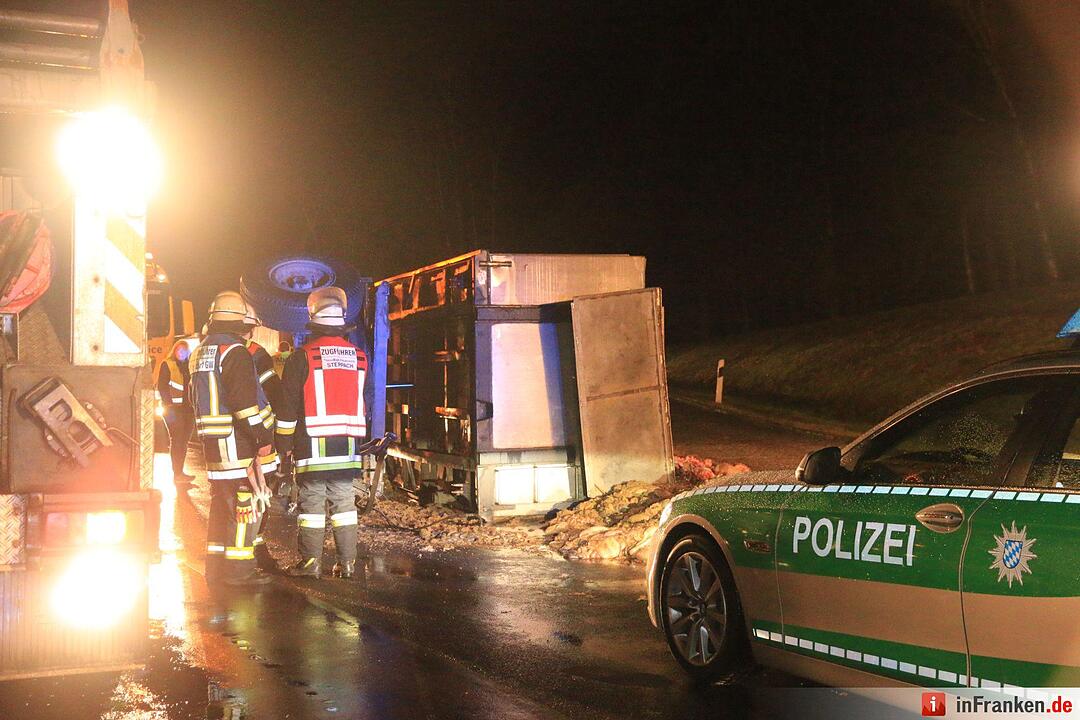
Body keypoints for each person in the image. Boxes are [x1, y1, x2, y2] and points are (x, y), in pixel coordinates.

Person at [276, 287, 368, 579]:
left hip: (312, 443)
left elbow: (287, 408)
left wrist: (283, 444)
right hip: (348, 443)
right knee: (344, 502)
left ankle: (311, 563)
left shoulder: (302, 357)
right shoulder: (360, 357)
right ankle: (348, 563)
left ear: (314, 324)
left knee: (312, 504)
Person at [190, 291, 279, 587]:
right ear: (241, 323)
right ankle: (241, 571)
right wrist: (262, 437)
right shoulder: (236, 353)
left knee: (221, 507)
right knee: (246, 505)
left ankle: (215, 568)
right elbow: (246, 406)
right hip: (238, 444)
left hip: (215, 444)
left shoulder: (202, 351)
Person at [240, 302, 284, 570]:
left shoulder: (210, 351)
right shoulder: (256, 354)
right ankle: (255, 548)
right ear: (252, 329)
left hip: (225, 441)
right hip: (258, 436)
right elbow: (273, 391)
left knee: (231, 496)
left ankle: (235, 548)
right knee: (258, 492)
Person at [157, 339, 195, 484]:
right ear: (174, 351)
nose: (182, 353)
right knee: (177, 440)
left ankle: (180, 472)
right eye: (179, 350)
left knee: (184, 442)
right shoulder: (167, 365)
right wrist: (168, 404)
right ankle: (177, 474)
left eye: (185, 351)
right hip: (173, 411)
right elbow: (162, 386)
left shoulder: (190, 367)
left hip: (188, 410)